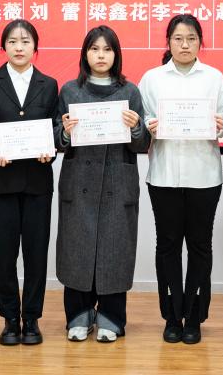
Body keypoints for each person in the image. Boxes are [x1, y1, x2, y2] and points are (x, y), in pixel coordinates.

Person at [55, 25, 150, 343]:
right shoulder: (70, 90)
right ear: (85, 54)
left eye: (107, 49)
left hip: (116, 184)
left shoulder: (130, 92)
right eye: (94, 49)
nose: (100, 55)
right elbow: (56, 140)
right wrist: (64, 131)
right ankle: (78, 315)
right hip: (79, 182)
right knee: (77, 251)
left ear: (116, 55)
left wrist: (136, 128)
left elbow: (142, 144)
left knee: (115, 251)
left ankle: (111, 316)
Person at [139, 14, 223, 345]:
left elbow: (222, 121)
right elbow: (143, 121)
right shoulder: (151, 79)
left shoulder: (215, 78)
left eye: (191, 38)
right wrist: (149, 126)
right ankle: (171, 316)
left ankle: (194, 316)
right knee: (167, 246)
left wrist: (219, 125)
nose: (185, 44)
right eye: (178, 38)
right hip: (164, 174)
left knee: (200, 246)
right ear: (168, 42)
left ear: (200, 42)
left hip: (204, 175)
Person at [0, 19, 59, 346]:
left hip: (37, 180)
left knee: (36, 255)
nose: (19, 47)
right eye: (12, 41)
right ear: (4, 47)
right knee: (4, 254)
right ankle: (10, 319)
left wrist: (50, 150)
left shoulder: (49, 84)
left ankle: (32, 319)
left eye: (25, 42)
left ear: (35, 47)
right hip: (0, 180)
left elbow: (54, 128)